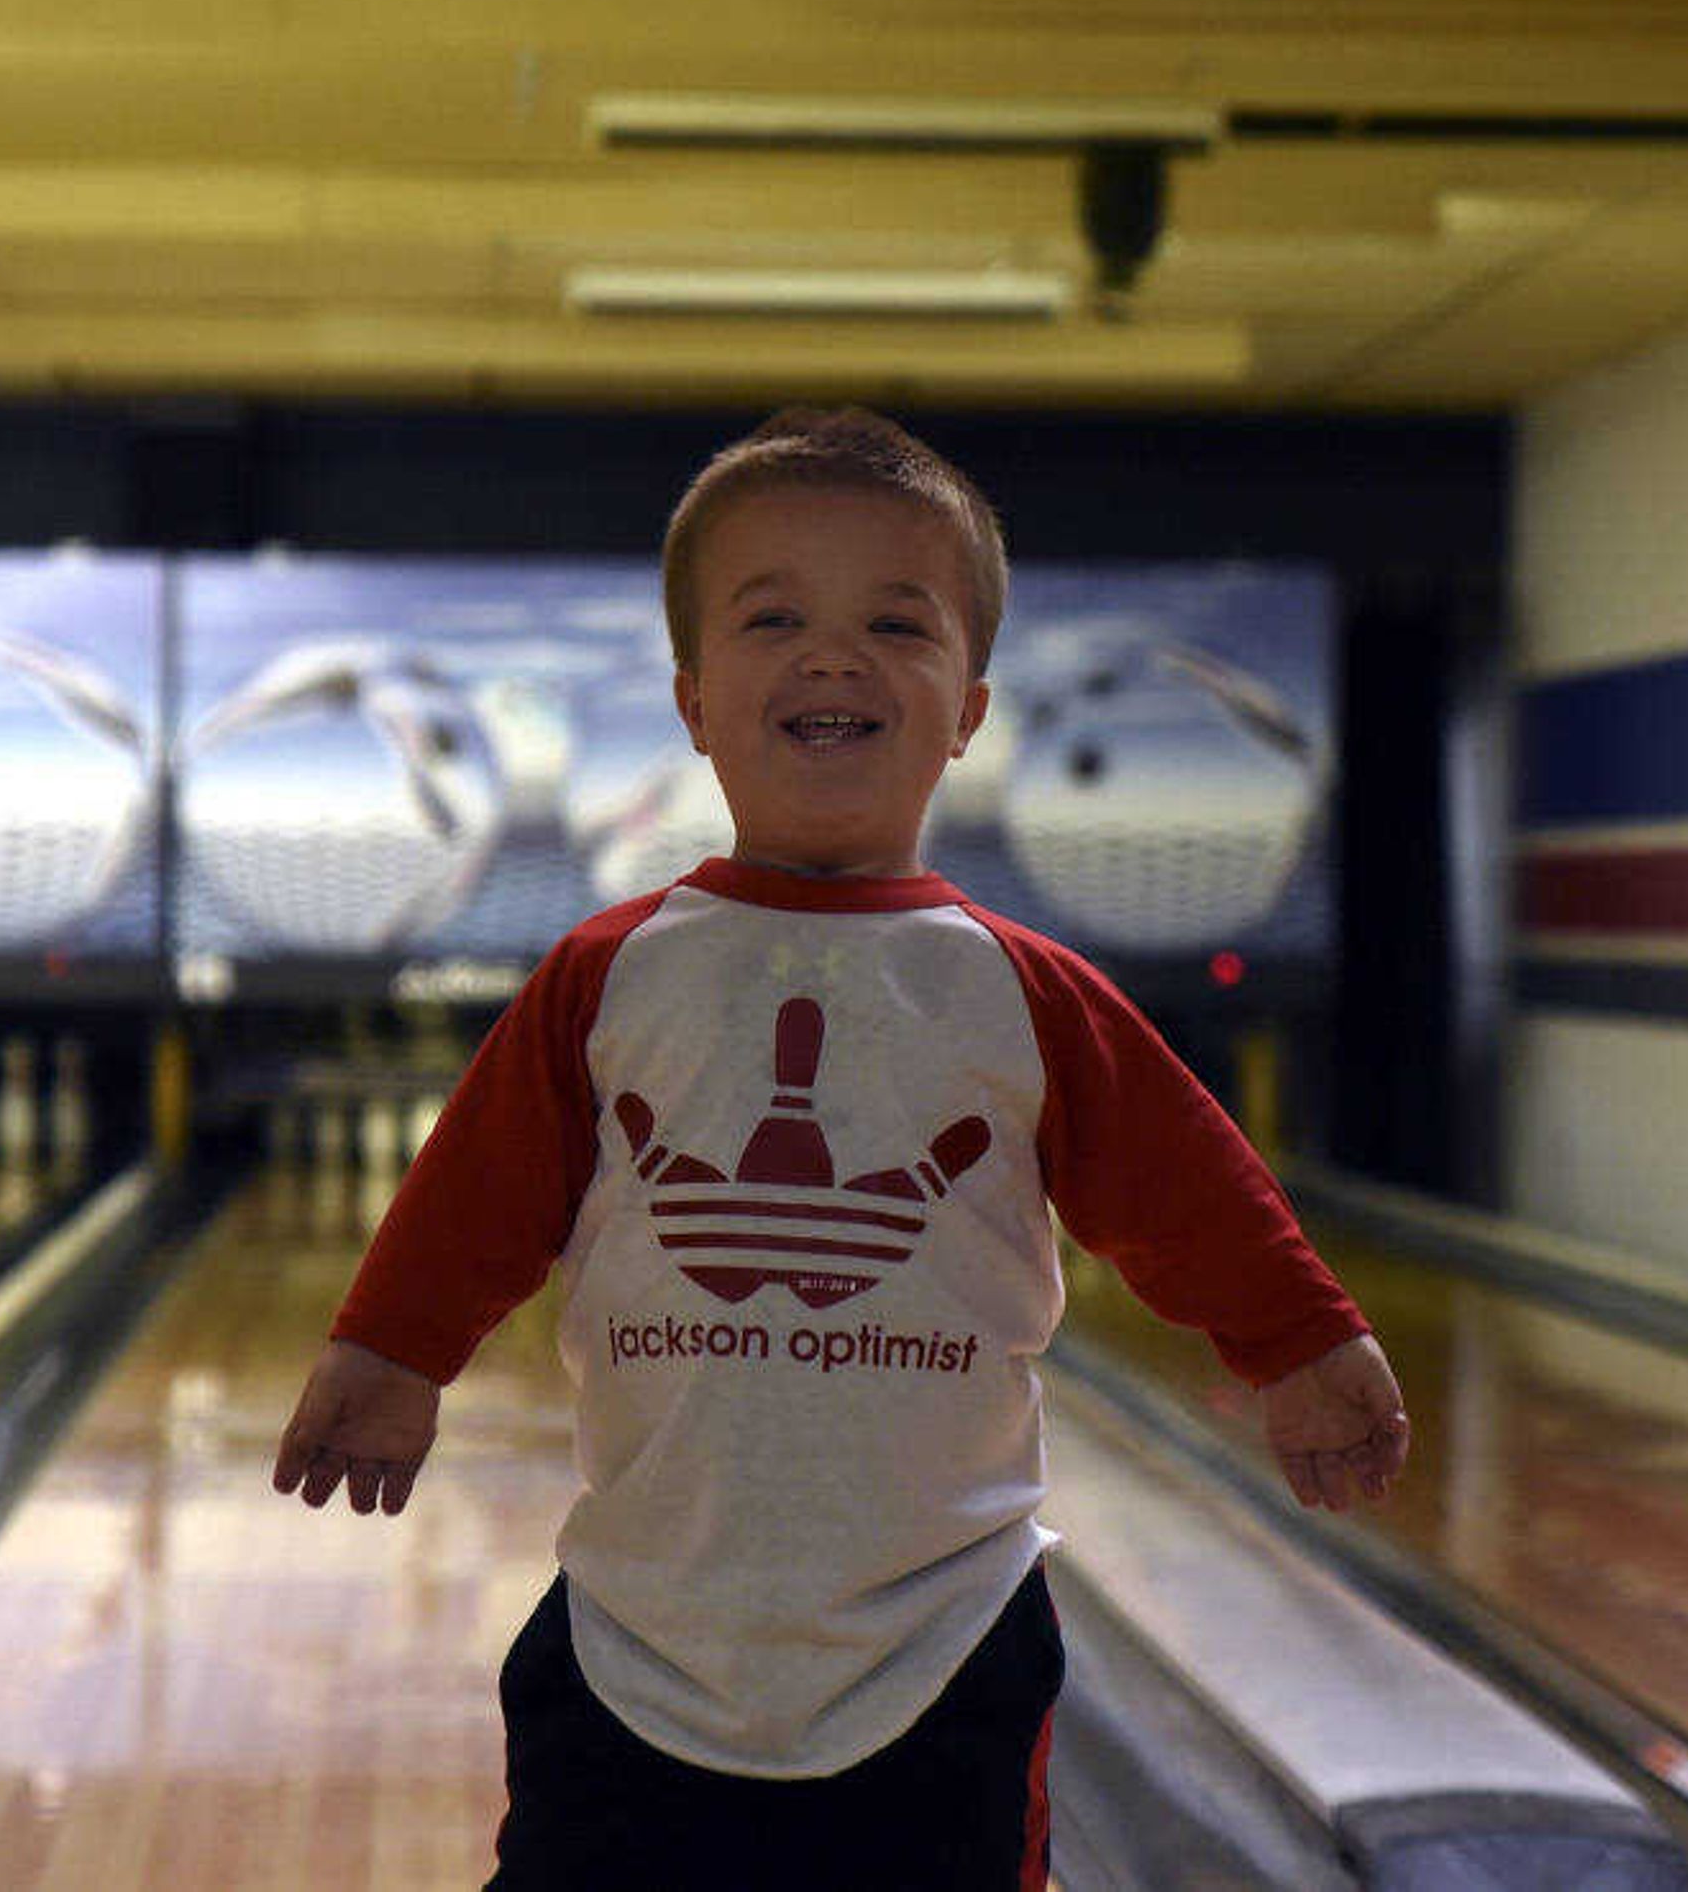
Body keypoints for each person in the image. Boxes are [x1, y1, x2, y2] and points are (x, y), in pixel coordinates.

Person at [271, 405, 1410, 1891]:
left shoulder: (1025, 991)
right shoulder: (607, 972)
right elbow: (478, 1195)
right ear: (692, 699)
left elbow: (1190, 1191)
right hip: (640, 1630)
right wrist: (392, 1351)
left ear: (970, 708)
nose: (831, 653)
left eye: (897, 621)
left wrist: (1299, 1339)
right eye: (773, 618)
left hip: (941, 1634)